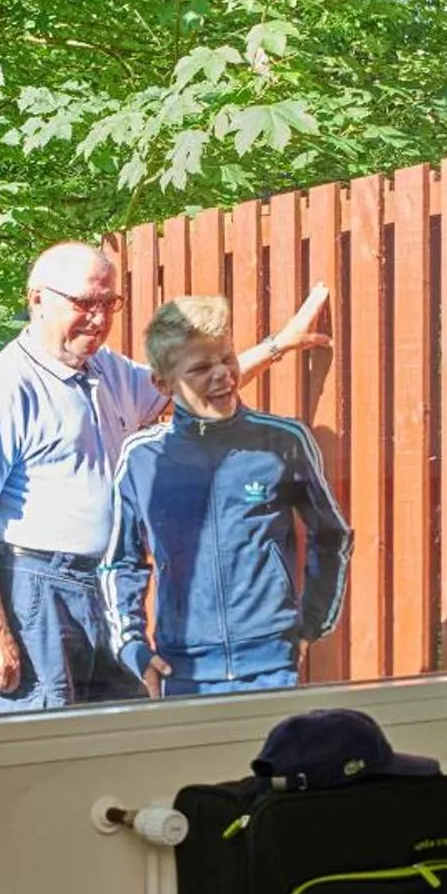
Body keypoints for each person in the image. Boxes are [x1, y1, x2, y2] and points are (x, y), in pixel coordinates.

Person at [0, 242, 327, 713]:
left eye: (110, 303)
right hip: (36, 591)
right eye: (84, 303)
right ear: (37, 299)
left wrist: (278, 345)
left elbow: (194, 385)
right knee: (39, 733)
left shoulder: (107, 369)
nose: (99, 319)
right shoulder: (5, 386)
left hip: (105, 585)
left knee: (123, 730)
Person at [102, 297, 349, 697]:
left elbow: (331, 535)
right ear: (163, 385)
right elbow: (121, 561)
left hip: (271, 663)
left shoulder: (283, 441)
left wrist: (312, 623)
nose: (223, 375)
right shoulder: (142, 458)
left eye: (227, 359)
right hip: (182, 667)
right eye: (201, 368)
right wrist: (131, 645)